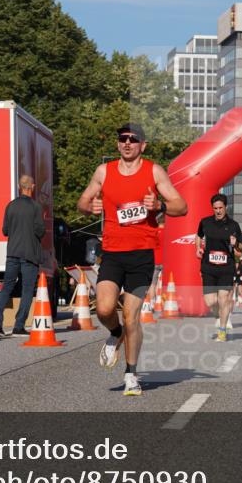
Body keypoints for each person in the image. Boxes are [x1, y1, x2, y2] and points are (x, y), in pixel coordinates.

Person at [77, 123, 187, 396]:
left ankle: (131, 374)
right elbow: (82, 201)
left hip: (141, 256)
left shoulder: (154, 171)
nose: (127, 143)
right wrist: (90, 207)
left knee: (131, 314)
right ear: (118, 144)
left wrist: (159, 206)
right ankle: (116, 334)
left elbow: (182, 206)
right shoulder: (104, 171)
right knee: (103, 309)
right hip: (112, 254)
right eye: (122, 139)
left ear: (143, 145)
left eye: (133, 139)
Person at [0, 175, 45, 338]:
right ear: (32, 187)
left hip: (12, 253)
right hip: (29, 254)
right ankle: (19, 325)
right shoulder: (36, 207)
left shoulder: (10, 206)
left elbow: (5, 230)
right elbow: (40, 231)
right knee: (27, 290)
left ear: (20, 187)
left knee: (6, 287)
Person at [196, 194, 242, 342]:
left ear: (226, 207)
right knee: (210, 301)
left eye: (220, 208)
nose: (218, 211)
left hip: (226, 267)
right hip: (208, 266)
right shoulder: (205, 222)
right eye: (215, 208)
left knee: (223, 299)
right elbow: (198, 235)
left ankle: (222, 331)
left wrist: (236, 243)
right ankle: (219, 315)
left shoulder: (233, 225)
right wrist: (197, 248)